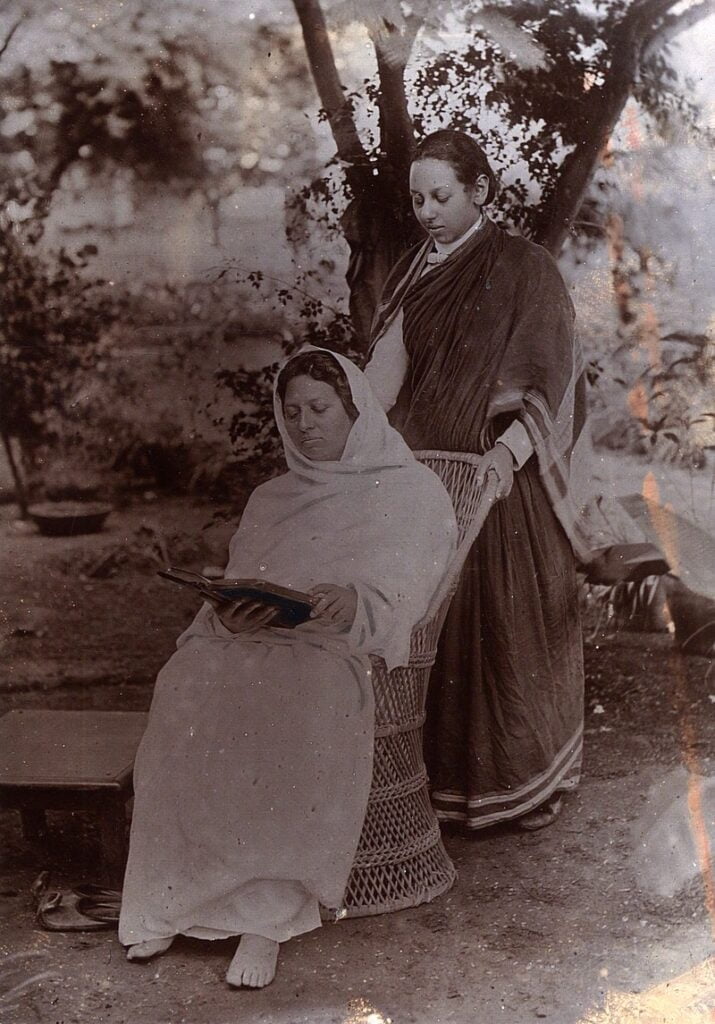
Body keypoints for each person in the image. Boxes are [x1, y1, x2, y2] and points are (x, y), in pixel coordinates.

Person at [118, 348, 457, 988]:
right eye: (292, 410)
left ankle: (265, 920)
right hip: (255, 638)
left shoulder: (411, 489)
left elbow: (411, 590)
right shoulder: (272, 496)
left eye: (320, 408)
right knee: (185, 684)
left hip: (336, 646)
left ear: (355, 411)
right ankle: (175, 899)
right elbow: (252, 579)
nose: (304, 424)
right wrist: (233, 612)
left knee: (291, 697)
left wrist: (354, 599)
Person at [365, 129, 592, 832]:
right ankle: (442, 791)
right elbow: (384, 379)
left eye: (441, 196)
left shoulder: (526, 269)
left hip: (502, 481)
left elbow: (545, 378)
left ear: (480, 192)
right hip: (424, 480)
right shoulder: (413, 273)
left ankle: (522, 784)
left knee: (502, 629)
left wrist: (504, 458)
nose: (427, 211)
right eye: (416, 199)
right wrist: (350, 438)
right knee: (433, 627)